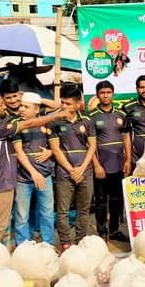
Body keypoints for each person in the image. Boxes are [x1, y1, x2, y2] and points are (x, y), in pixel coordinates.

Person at [0, 89, 63, 246]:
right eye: (1, 104)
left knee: (42, 213)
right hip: (2, 181)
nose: (6, 106)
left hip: (12, 179)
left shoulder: (2, 122)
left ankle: (45, 245)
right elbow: (28, 124)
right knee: (1, 225)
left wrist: (37, 99)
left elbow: (55, 106)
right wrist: (56, 116)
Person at [50, 83, 94, 248]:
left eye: (68, 103)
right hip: (64, 173)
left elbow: (92, 147)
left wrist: (81, 169)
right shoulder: (54, 122)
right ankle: (65, 244)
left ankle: (81, 241)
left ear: (77, 104)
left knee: (84, 209)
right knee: (63, 211)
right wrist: (71, 170)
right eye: (62, 102)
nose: (64, 106)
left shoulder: (87, 121)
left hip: (85, 172)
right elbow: (55, 149)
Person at [87, 80, 131, 243]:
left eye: (108, 92)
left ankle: (114, 230)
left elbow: (126, 138)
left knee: (117, 199)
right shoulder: (91, 117)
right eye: (102, 93)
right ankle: (101, 232)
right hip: (101, 166)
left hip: (119, 164)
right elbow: (89, 144)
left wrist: (127, 160)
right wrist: (96, 164)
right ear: (97, 95)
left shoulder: (121, 115)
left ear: (112, 93)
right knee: (100, 200)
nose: (105, 95)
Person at [12, 92, 56, 246]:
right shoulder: (16, 125)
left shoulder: (46, 122)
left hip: (45, 175)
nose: (21, 109)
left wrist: (50, 152)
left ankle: (48, 245)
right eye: (21, 106)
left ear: (37, 110)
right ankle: (23, 246)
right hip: (23, 179)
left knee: (47, 213)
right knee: (22, 215)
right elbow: (19, 152)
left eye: (26, 106)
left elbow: (59, 106)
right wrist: (33, 172)